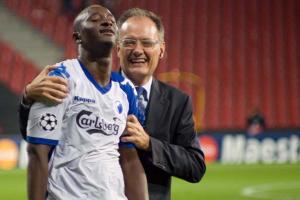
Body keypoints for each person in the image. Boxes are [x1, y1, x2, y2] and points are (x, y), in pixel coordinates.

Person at [19, 8, 206, 200]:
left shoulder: (177, 102)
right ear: (118, 47)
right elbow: (36, 140)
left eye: (147, 43)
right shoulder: (65, 79)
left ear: (162, 49)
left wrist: (150, 144)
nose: (138, 50)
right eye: (129, 42)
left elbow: (195, 167)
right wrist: (27, 98)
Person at [22, 5, 148, 200]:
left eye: (111, 20)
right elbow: (37, 152)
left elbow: (130, 160)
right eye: (95, 19)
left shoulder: (126, 89)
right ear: (77, 36)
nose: (107, 21)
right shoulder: (62, 79)